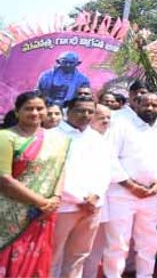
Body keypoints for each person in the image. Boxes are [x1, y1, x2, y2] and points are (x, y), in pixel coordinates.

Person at [103, 93, 157, 278]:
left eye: (154, 105)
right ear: (136, 105)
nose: (150, 108)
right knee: (118, 242)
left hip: (152, 194)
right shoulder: (121, 125)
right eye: (146, 104)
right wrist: (131, 186)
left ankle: (145, 275)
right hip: (122, 193)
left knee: (148, 241)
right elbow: (110, 157)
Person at [0, 91, 69, 277]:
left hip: (44, 214)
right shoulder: (5, 137)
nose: (35, 113)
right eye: (28, 108)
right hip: (11, 213)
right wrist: (41, 202)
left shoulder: (57, 139)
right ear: (17, 112)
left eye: (40, 108)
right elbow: (4, 179)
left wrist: (56, 197)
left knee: (37, 259)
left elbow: (60, 168)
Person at [51, 96, 113, 278]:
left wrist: (96, 196)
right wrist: (79, 198)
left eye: (90, 111)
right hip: (64, 206)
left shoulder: (97, 138)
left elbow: (105, 171)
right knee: (54, 254)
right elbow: (54, 173)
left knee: (79, 256)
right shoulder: (53, 136)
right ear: (67, 111)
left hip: (93, 206)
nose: (85, 115)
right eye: (80, 110)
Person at [82, 104, 113, 278]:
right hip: (81, 200)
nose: (106, 120)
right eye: (101, 116)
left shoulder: (108, 138)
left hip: (104, 200)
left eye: (108, 117)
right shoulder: (81, 138)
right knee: (77, 248)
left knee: (97, 248)